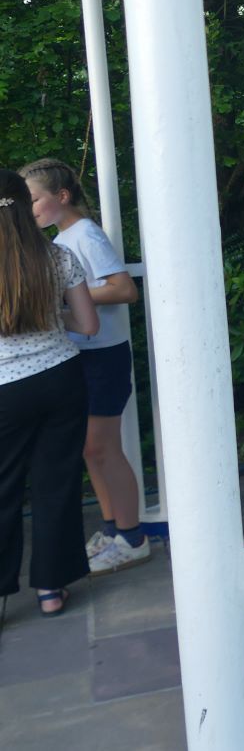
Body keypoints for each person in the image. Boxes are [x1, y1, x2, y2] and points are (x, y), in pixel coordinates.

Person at [22, 159, 148, 573]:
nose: (28, 208)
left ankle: (133, 538)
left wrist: (65, 297)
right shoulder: (61, 239)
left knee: (101, 448)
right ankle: (113, 532)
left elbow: (123, 289)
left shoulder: (86, 234)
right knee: (89, 450)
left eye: (33, 199)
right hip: (81, 355)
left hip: (104, 356)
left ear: (61, 197)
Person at [1, 169, 99, 617]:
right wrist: (54, 319)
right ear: (25, 205)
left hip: (5, 390)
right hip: (61, 376)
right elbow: (88, 325)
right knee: (55, 482)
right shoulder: (58, 256)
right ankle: (50, 590)